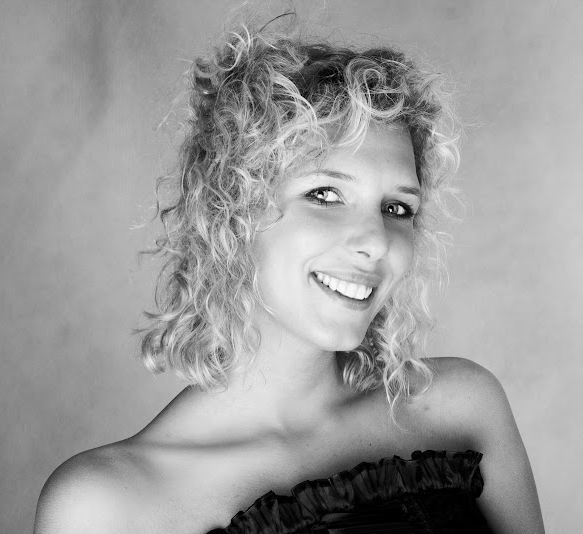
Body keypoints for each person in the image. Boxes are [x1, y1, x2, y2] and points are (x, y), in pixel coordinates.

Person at [33, 20, 545, 534]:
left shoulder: (463, 408)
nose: (376, 241)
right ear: (233, 210)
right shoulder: (104, 505)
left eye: (397, 207)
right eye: (325, 195)